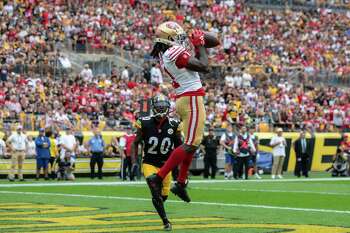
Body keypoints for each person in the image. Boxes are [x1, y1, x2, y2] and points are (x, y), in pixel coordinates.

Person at [147, 21, 214, 203]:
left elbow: (209, 49)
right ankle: (159, 177)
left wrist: (201, 41)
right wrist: (199, 45)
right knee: (191, 143)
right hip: (191, 97)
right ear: (168, 39)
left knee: (192, 143)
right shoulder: (173, 52)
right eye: (177, 37)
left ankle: (181, 183)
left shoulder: (167, 53)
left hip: (186, 98)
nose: (182, 40)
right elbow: (205, 66)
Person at [131, 94, 182, 231]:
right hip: (149, 163)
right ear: (153, 108)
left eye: (163, 107)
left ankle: (159, 206)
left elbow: (179, 146)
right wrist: (134, 161)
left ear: (168, 108)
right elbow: (135, 143)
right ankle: (166, 222)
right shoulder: (145, 122)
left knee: (163, 196)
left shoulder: (174, 124)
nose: (161, 110)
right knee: (154, 190)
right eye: (158, 107)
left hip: (166, 165)